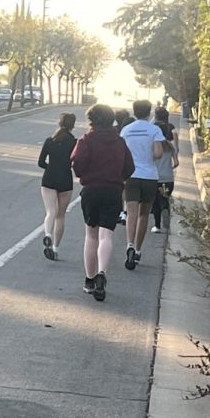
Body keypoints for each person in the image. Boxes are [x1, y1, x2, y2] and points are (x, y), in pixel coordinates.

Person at [70, 103, 134, 303]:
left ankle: (89, 280)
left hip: (91, 190)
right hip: (113, 190)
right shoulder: (119, 141)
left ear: (91, 120)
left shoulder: (86, 140)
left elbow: (77, 165)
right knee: (107, 234)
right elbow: (129, 168)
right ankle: (102, 273)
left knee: (91, 234)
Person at [117, 99, 169, 270]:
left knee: (130, 213)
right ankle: (138, 250)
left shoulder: (126, 130)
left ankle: (129, 245)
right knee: (143, 215)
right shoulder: (154, 130)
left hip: (131, 176)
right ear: (149, 112)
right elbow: (158, 153)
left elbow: (120, 153)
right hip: (149, 176)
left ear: (134, 111)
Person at [38, 112, 77, 261]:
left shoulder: (50, 141)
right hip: (65, 179)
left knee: (50, 212)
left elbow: (40, 162)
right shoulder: (74, 142)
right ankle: (55, 248)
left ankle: (47, 234)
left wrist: (51, 167)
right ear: (72, 125)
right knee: (60, 215)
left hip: (49, 177)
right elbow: (76, 162)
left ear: (59, 123)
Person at [151, 106, 179, 234]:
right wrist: (171, 166)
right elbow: (176, 162)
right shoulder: (170, 146)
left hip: (154, 179)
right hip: (168, 179)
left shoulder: (152, 146)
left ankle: (157, 226)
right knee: (164, 199)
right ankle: (165, 209)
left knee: (155, 203)